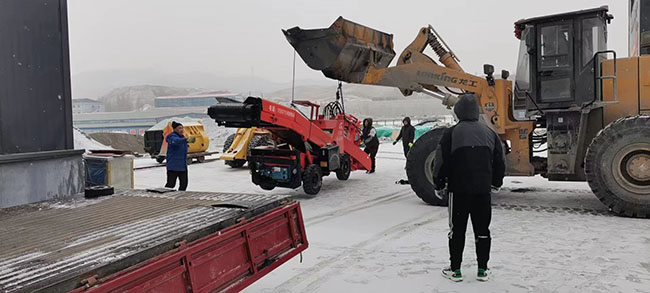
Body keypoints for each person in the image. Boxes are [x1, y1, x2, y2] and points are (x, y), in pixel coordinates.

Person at [433, 94, 505, 282]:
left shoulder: (451, 133)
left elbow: (441, 161)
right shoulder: (490, 133)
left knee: (457, 230)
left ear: (458, 112)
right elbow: (499, 160)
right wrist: (496, 182)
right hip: (482, 191)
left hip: (458, 191)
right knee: (483, 230)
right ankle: (483, 269)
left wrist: (439, 184)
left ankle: (455, 270)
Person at [165, 121, 195, 191]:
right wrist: (186, 140)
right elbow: (176, 141)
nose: (181, 130)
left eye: (182, 128)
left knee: (184, 184)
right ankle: (164, 198)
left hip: (182, 166)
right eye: (179, 128)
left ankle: (179, 198)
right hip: (173, 166)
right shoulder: (171, 137)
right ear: (175, 129)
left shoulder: (182, 137)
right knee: (170, 185)